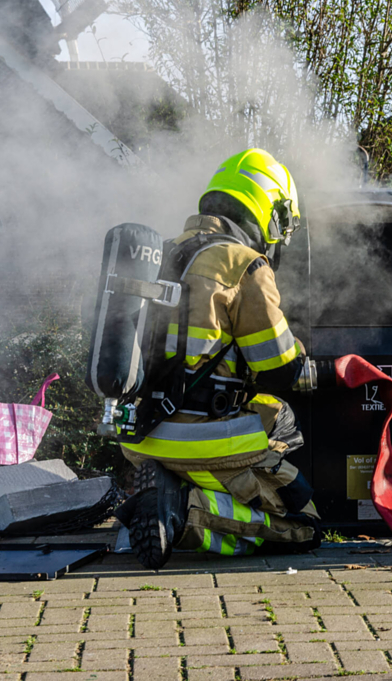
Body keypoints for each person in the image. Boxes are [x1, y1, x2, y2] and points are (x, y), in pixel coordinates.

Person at [114, 149, 333, 569]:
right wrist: (315, 362)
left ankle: (165, 487)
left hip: (143, 433)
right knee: (304, 523)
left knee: (276, 415)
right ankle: (183, 509)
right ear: (269, 209)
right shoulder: (244, 264)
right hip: (203, 438)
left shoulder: (162, 251)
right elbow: (280, 367)